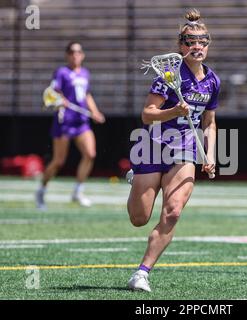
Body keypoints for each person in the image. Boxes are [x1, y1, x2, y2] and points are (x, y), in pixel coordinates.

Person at [126, 8, 220, 292]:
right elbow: (147, 114)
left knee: (173, 211)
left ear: (208, 44)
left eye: (202, 41)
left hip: (186, 150)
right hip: (153, 147)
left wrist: (210, 154)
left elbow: (210, 121)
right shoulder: (168, 76)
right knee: (139, 218)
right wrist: (173, 111)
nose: (197, 46)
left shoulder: (213, 81)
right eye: (191, 42)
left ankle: (142, 273)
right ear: (181, 46)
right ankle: (136, 179)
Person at [35, 42, 105, 209]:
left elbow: (87, 95)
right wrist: (61, 100)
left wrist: (95, 112)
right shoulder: (62, 72)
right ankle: (41, 190)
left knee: (90, 154)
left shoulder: (85, 73)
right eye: (72, 52)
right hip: (64, 121)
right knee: (58, 161)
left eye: (79, 52)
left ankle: (77, 191)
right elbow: (52, 92)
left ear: (83, 55)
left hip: (81, 121)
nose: (75, 55)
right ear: (67, 55)